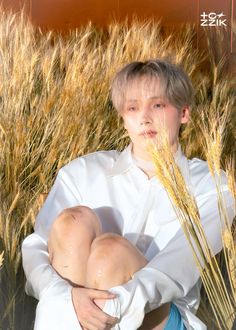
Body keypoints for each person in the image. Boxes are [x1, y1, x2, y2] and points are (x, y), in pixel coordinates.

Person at [22, 59, 235, 330]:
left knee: (110, 254)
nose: (144, 118)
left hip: (160, 319)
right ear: (122, 118)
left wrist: (104, 307)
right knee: (71, 222)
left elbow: (175, 269)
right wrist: (67, 299)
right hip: (75, 311)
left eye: (157, 105)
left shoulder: (214, 186)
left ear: (184, 112)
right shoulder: (84, 171)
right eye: (132, 107)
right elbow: (37, 246)